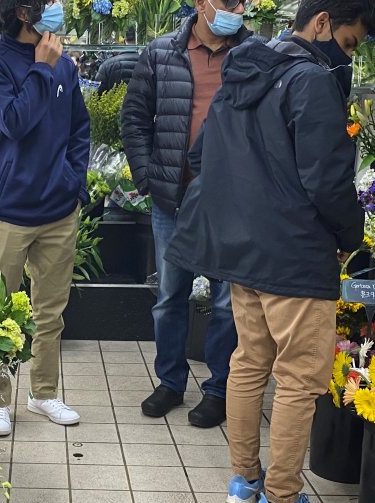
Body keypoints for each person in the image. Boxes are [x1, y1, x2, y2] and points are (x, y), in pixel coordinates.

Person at [166, 0, 375, 503]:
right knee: (300, 375)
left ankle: (244, 479)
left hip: (243, 249)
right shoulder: (310, 80)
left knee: (249, 360)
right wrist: (354, 240)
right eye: (349, 43)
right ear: (324, 22)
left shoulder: (246, 68)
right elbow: (327, 179)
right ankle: (282, 500)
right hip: (294, 252)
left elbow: (202, 152)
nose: (346, 56)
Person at [121, 0, 251, 428]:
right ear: (201, 3)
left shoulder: (252, 53)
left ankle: (218, 390)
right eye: (227, 1)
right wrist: (147, 177)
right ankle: (170, 382)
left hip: (230, 202)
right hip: (173, 199)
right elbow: (134, 118)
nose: (236, 8)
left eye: (241, 2)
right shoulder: (161, 53)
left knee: (228, 303)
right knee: (169, 297)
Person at [0, 0, 90, 437]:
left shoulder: (65, 65)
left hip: (59, 210)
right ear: (23, 12)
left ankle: (43, 393)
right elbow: (15, 122)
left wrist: (74, 183)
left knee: (50, 311)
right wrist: (41, 68)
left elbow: (80, 129)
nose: (58, 9)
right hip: (7, 212)